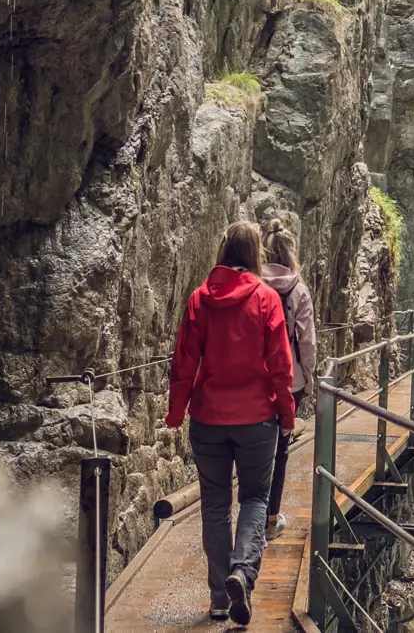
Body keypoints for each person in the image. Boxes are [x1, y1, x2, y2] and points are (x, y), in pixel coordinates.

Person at [166, 220, 297, 626]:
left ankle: (220, 599)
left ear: (223, 250)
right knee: (256, 499)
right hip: (258, 419)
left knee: (216, 505)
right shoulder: (265, 298)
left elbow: (184, 362)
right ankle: (242, 572)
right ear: (255, 254)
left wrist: (175, 412)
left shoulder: (199, 300)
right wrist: (287, 413)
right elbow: (280, 364)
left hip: (208, 419)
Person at [260, 218, 317, 541]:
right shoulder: (298, 290)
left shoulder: (254, 286)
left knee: (255, 448)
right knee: (280, 450)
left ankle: (250, 514)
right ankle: (270, 518)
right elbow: (307, 341)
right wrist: (308, 378)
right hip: (290, 381)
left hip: (256, 379)